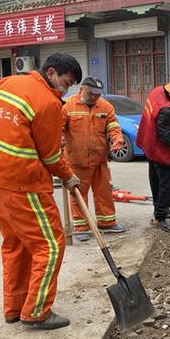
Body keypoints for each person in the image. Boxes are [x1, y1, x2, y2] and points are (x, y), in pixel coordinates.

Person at [0, 53, 82, 329]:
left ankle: (15, 306)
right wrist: (68, 177)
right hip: (25, 181)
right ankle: (36, 312)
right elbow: (50, 155)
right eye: (66, 83)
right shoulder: (47, 103)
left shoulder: (7, 83)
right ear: (52, 72)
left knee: (16, 245)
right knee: (50, 246)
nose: (65, 90)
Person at [63, 76, 126, 241]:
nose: (94, 97)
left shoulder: (105, 106)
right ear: (81, 89)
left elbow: (113, 125)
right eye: (91, 93)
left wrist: (117, 140)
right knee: (78, 194)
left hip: (99, 159)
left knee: (104, 192)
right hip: (76, 160)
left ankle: (107, 222)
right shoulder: (68, 106)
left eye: (97, 94)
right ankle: (81, 227)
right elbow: (57, 127)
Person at [135, 76, 170, 233]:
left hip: (149, 143)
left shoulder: (157, 91)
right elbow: (166, 136)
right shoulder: (166, 110)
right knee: (167, 186)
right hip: (158, 149)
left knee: (156, 180)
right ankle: (159, 217)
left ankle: (161, 209)